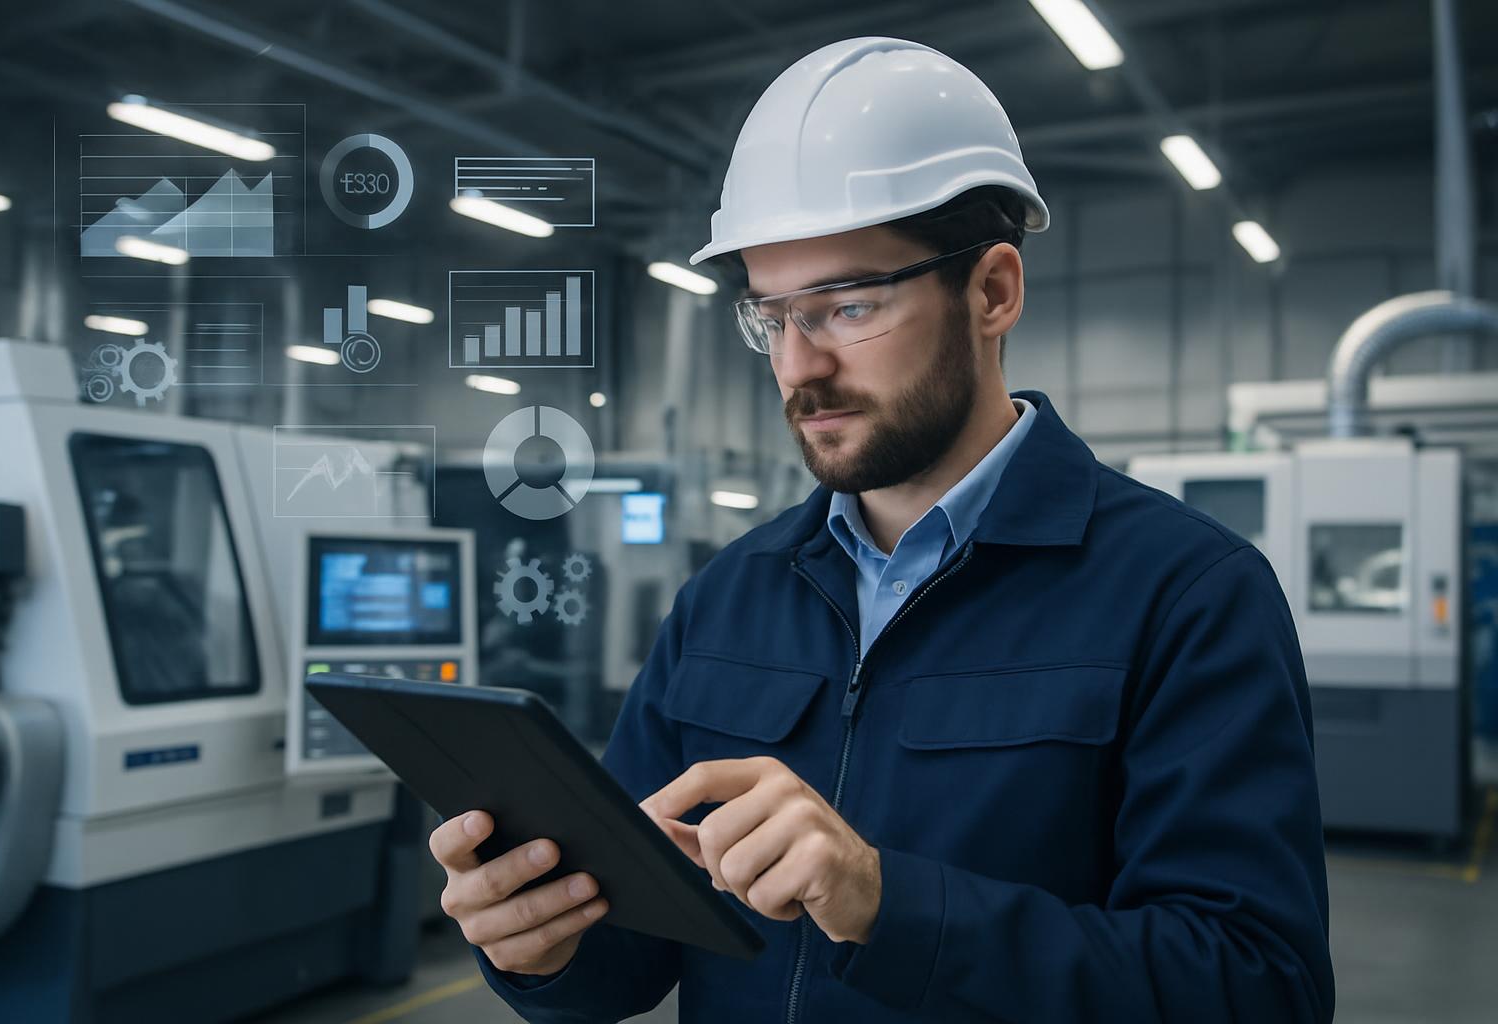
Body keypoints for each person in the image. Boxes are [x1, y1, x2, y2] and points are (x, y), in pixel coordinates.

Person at [430, 36, 1334, 1022]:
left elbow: (1256, 986)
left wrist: (883, 903)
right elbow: (635, 948)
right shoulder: (729, 596)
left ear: (992, 292)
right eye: (772, 317)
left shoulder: (1185, 593)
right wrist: (543, 940)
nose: (799, 367)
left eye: (848, 306)